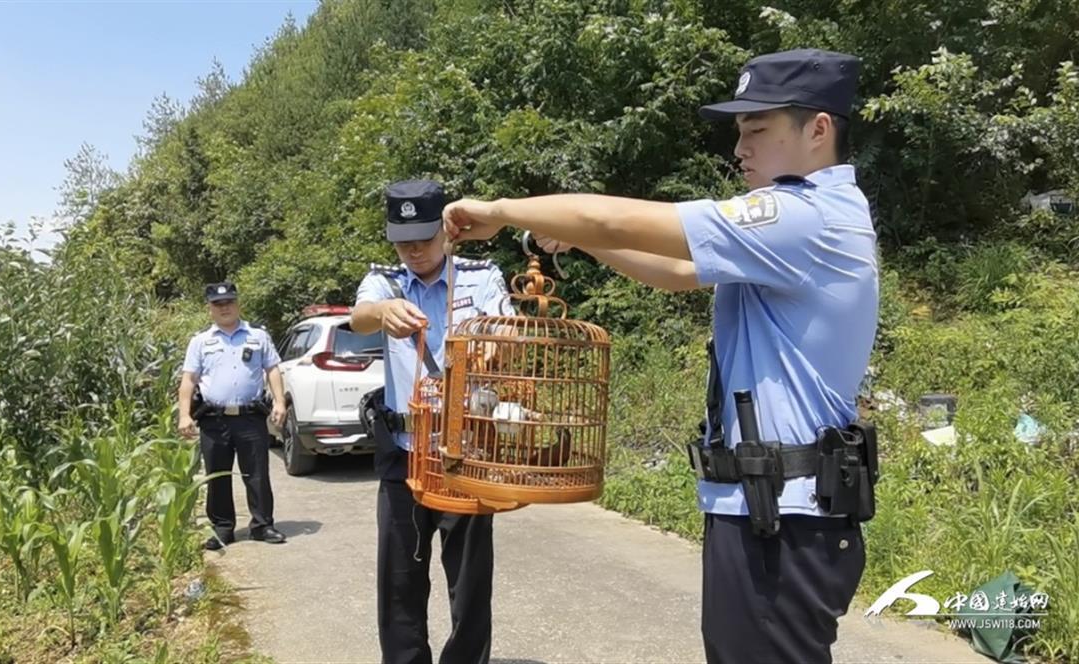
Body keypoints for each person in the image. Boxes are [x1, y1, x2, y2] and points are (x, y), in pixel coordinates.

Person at [443, 49, 879, 664]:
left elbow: (612, 217)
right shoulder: (809, 222)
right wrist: (586, 242)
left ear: (818, 129)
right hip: (767, 510)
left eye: (757, 129)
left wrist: (497, 211)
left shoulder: (804, 216)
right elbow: (677, 271)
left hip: (785, 519)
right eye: (739, 133)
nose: (741, 149)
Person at [351, 179, 515, 664]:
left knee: (469, 578)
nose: (414, 250)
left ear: (446, 231)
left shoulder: (480, 276)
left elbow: (503, 324)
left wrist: (492, 341)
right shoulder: (386, 282)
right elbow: (360, 316)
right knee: (400, 575)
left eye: (423, 237)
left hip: (466, 448)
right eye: (403, 241)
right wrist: (382, 312)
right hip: (402, 450)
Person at [178, 281, 287, 551]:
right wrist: (184, 415)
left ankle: (262, 525)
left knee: (257, 473)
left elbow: (273, 369)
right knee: (217, 475)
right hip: (213, 420)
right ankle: (222, 529)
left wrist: (280, 402)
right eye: (218, 304)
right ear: (210, 309)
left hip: (250, 417)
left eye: (229, 302)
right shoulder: (201, 341)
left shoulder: (258, 336)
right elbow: (189, 380)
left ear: (238, 304)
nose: (224, 308)